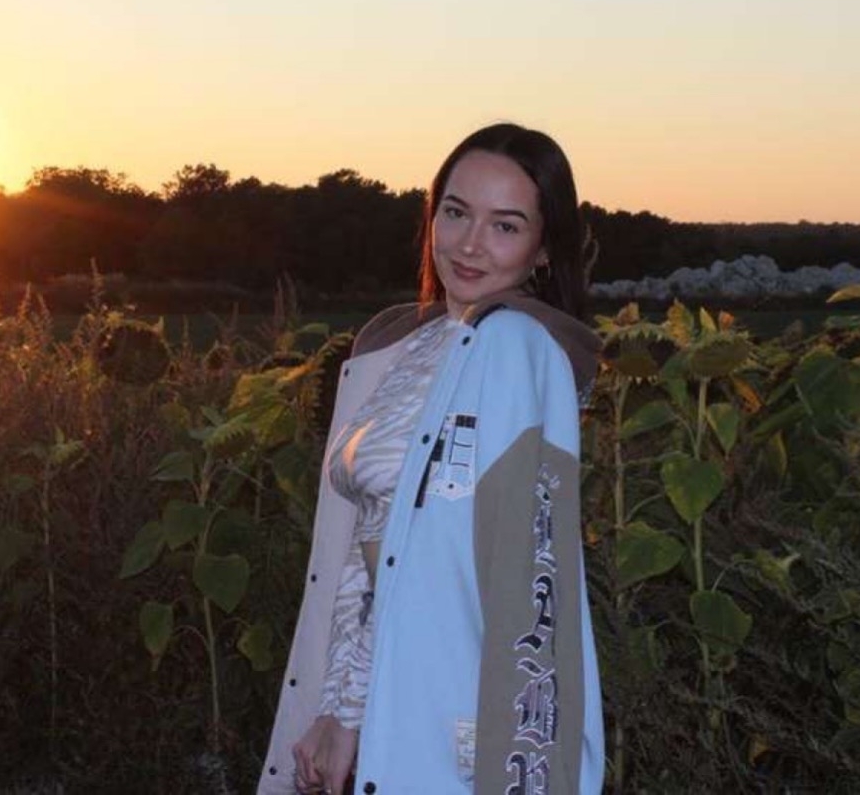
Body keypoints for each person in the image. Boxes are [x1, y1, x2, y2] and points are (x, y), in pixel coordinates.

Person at [258, 122, 605, 794]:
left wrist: (352, 713)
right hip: (368, 700)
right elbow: (366, 551)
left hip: (438, 719)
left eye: (505, 226)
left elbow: (459, 570)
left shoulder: (514, 351)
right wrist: (337, 707)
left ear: (543, 248)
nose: (470, 244)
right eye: (456, 212)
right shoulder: (412, 345)